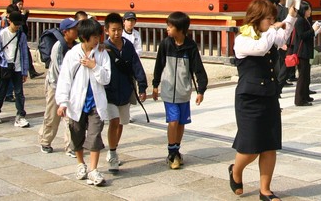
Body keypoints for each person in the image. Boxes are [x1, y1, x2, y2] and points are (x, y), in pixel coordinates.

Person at [228, 0, 287, 200]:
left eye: (273, 18)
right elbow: (260, 48)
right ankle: (236, 170)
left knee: (270, 145)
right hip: (249, 98)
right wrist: (273, 30)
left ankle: (265, 189)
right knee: (251, 147)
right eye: (268, 18)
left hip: (269, 96)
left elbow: (283, 38)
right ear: (257, 18)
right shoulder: (243, 39)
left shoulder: (268, 36)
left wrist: (293, 17)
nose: (272, 22)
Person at [56, 18, 111, 186]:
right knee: (77, 135)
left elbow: (107, 78)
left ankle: (93, 170)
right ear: (85, 37)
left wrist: (94, 66)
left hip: (96, 102)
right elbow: (65, 79)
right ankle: (81, 164)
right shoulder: (72, 54)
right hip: (76, 102)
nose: (97, 40)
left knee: (95, 136)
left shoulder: (102, 54)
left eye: (98, 36)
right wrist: (63, 101)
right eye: (94, 37)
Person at [152, 11, 208, 170]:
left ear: (181, 29)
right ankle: (171, 153)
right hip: (168, 90)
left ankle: (176, 150)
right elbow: (159, 65)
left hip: (184, 91)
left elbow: (199, 69)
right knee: (173, 121)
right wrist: (155, 85)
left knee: (182, 122)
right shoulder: (165, 44)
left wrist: (201, 90)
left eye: (170, 26)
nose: (167, 29)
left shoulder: (190, 47)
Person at [104, 12, 148, 172]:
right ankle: (113, 152)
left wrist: (142, 86)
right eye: (113, 30)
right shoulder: (104, 48)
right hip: (109, 91)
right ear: (107, 31)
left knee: (122, 122)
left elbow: (136, 65)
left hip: (126, 89)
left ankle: (113, 147)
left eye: (119, 30)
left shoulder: (128, 45)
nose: (117, 33)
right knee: (114, 121)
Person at [40, 17, 79, 155]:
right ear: (65, 32)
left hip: (72, 87)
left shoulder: (76, 46)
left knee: (71, 118)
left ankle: (70, 146)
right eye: (73, 29)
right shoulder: (58, 47)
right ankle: (45, 141)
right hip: (55, 86)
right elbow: (62, 70)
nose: (76, 31)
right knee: (52, 116)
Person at [0, 10, 30, 127]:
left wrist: (25, 71)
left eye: (20, 24)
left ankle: (20, 116)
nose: (18, 27)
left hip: (17, 67)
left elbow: (24, 53)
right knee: (1, 90)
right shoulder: (1, 34)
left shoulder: (22, 35)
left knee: (19, 93)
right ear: (10, 21)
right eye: (16, 24)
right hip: (5, 66)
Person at [292, 1, 321, 107]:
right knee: (302, 76)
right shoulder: (300, 21)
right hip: (302, 52)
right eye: (308, 9)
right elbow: (302, 35)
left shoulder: (305, 20)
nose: (310, 11)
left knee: (306, 75)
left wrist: (316, 31)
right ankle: (299, 99)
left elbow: (309, 34)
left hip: (306, 50)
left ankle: (305, 95)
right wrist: (313, 30)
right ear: (304, 10)